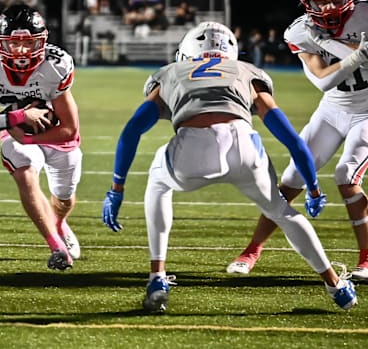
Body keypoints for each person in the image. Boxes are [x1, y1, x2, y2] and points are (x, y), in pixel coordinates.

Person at [101, 21, 357, 313]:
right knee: (281, 210)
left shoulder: (171, 72)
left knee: (158, 183)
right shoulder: (248, 72)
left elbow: (132, 130)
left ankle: (157, 277)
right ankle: (336, 285)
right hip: (245, 145)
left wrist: (117, 187)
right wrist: (312, 187)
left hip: (191, 148)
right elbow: (291, 139)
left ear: (186, 52)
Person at [227, 0, 368, 281]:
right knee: (290, 180)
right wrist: (357, 53)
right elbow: (322, 80)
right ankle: (252, 250)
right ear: (307, 3)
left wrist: (338, 46)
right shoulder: (301, 30)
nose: (328, 7)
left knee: (347, 174)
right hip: (333, 107)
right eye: (320, 2)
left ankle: (367, 258)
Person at [0, 3, 82, 271]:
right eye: (13, 43)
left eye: (28, 43)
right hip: (17, 132)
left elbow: (69, 129)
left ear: (41, 41)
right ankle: (55, 245)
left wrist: (28, 138)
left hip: (55, 136)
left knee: (64, 198)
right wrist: (19, 119)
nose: (20, 51)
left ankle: (58, 222)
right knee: (25, 173)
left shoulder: (56, 66)